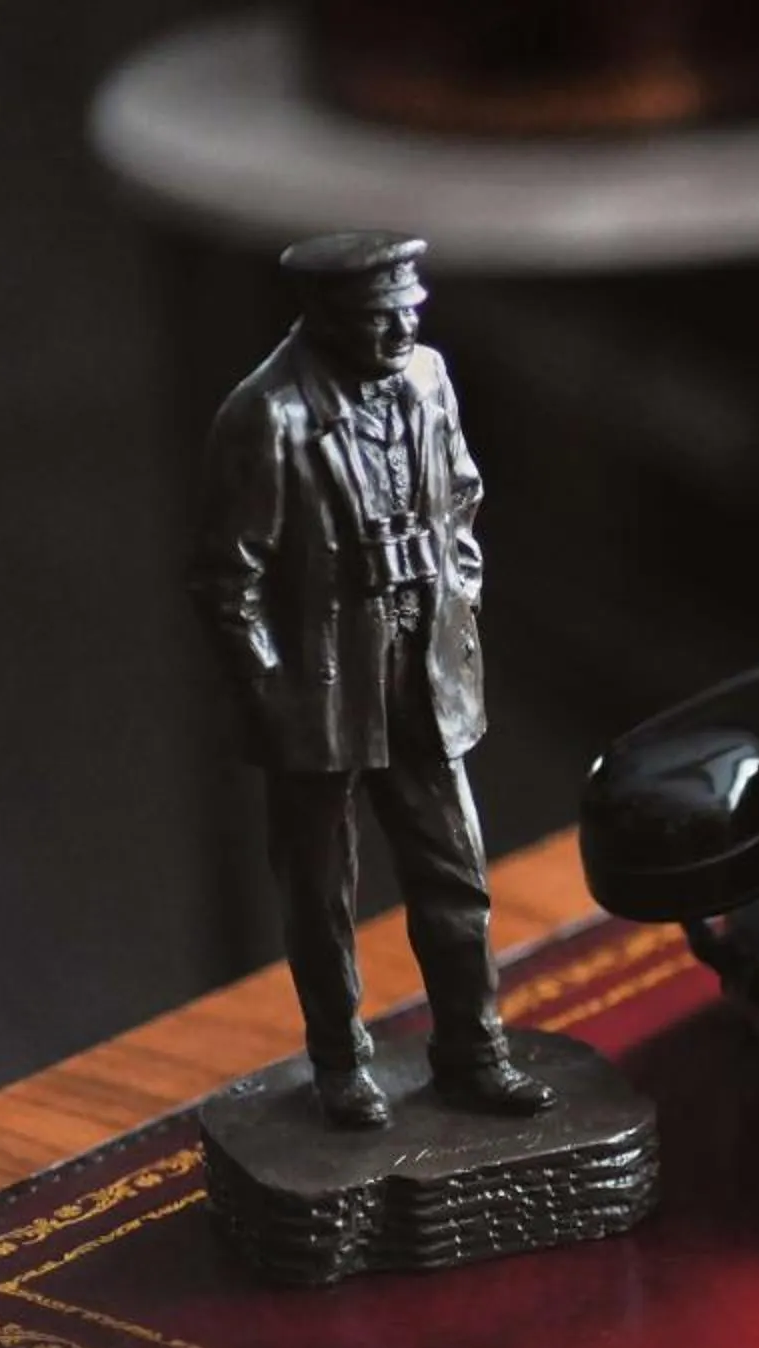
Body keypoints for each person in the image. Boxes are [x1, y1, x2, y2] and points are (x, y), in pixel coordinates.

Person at [191, 231, 555, 1129]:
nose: (398, 331)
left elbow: (462, 499)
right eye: (377, 318)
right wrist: (273, 692)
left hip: (423, 663)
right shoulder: (265, 414)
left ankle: (474, 1052)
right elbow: (225, 578)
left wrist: (456, 597)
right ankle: (341, 1063)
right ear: (325, 319)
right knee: (322, 893)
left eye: (408, 313)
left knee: (457, 875)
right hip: (319, 682)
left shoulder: (429, 377)